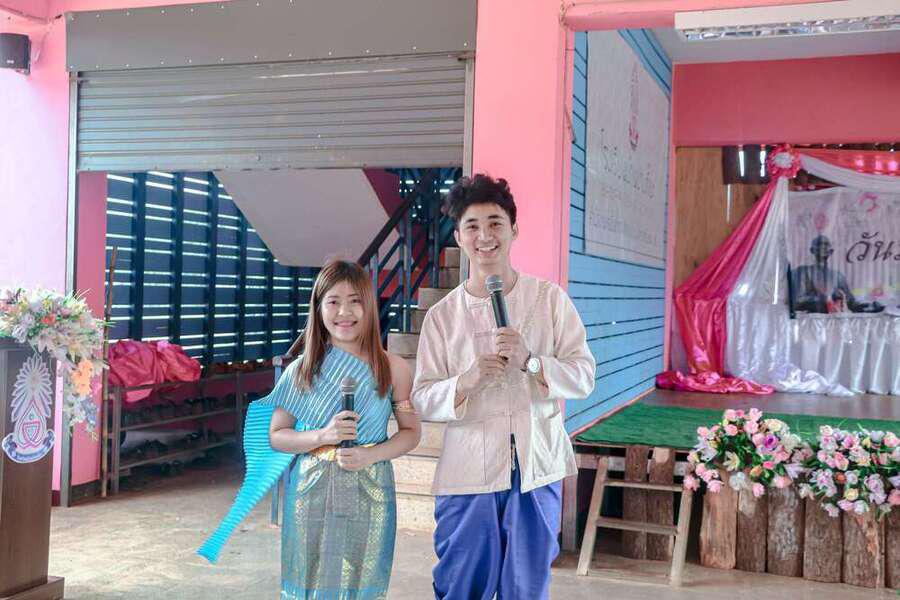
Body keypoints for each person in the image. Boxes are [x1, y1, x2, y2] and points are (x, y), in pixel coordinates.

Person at [411, 174, 596, 599]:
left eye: (495, 223)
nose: (485, 236)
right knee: (461, 584)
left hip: (536, 467)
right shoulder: (443, 316)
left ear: (514, 229)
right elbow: (422, 398)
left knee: (526, 586)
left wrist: (532, 361)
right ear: (459, 237)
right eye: (472, 226)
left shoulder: (549, 300)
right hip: (468, 472)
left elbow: (584, 376)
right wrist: (465, 382)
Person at [199, 260, 421, 600]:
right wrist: (322, 436)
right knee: (309, 577)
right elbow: (277, 435)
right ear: (318, 308)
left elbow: (411, 433)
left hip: (372, 485)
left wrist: (370, 455)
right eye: (333, 301)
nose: (344, 312)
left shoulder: (394, 368)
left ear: (369, 306)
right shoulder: (301, 370)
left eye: (355, 301)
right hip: (311, 486)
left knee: (364, 579)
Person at [791, 235, 882, 313]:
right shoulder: (802, 272)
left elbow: (851, 303)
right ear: (812, 250)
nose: (823, 247)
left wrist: (869, 306)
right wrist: (826, 298)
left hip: (833, 320)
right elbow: (797, 301)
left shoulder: (838, 276)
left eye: (826, 245)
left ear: (831, 251)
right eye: (819, 244)